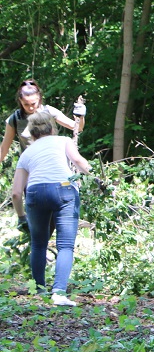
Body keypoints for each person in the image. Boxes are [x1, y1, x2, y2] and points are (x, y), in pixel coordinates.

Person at [11, 110, 92, 306]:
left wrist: (22, 217)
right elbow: (79, 161)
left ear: (31, 133)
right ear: (53, 127)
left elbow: (16, 193)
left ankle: (39, 291)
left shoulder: (26, 153)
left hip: (36, 193)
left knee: (38, 244)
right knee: (65, 244)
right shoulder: (63, 140)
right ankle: (59, 293)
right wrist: (96, 177)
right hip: (64, 190)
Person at [1, 80, 85, 231]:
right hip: (31, 173)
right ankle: (40, 245)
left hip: (55, 168)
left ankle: (45, 247)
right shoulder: (15, 119)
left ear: (39, 97)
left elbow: (76, 128)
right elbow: (4, 149)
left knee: (57, 219)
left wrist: (81, 115)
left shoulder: (49, 111)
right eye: (26, 104)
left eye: (34, 103)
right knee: (40, 224)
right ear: (20, 101)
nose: (31, 107)